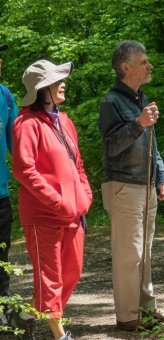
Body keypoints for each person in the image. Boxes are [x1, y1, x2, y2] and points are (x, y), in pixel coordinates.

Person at [12, 60, 93, 340]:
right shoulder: (26, 123)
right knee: (51, 277)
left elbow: (78, 164)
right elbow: (24, 170)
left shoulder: (65, 121)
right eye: (57, 80)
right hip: (43, 216)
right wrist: (57, 202)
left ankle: (27, 316)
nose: (63, 84)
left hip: (73, 213)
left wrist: (84, 195)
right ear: (42, 89)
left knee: (72, 272)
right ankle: (59, 335)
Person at [98, 40, 164, 332]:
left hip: (146, 184)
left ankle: (146, 308)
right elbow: (112, 146)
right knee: (130, 254)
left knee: (146, 251)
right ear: (125, 67)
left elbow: (152, 143)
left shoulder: (140, 98)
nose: (149, 65)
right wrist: (138, 124)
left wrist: (162, 175)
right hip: (123, 185)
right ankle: (127, 316)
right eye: (144, 61)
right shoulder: (111, 102)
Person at [0, 42, 18, 324]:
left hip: (0, 195)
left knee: (2, 257)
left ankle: (2, 309)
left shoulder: (5, 96)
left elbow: (19, 145)